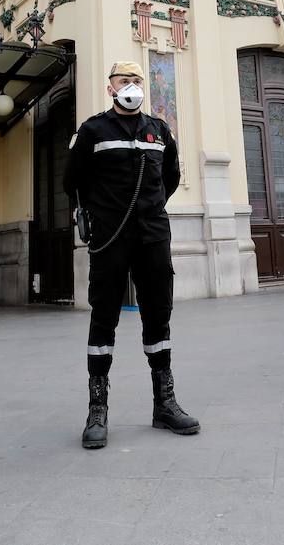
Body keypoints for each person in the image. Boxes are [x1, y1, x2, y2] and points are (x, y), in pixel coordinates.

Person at [64, 61, 199, 450]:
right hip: (110, 236)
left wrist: (150, 208)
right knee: (104, 317)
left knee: (159, 314)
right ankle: (97, 410)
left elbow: (169, 177)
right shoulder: (92, 130)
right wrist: (98, 213)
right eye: (125, 81)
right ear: (111, 88)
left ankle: (165, 404)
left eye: (137, 80)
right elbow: (71, 181)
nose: (132, 86)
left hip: (152, 235)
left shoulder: (159, 130)